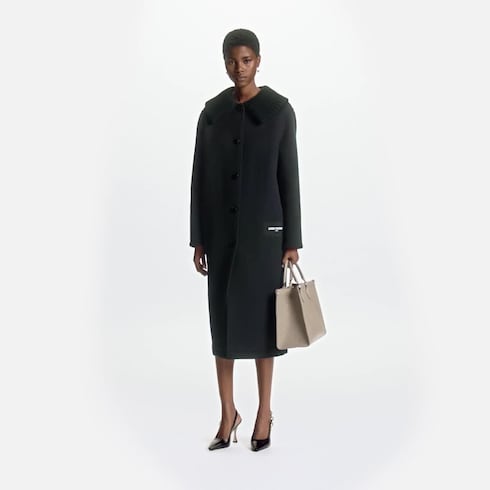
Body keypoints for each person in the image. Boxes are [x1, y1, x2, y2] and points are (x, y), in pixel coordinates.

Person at [189, 28, 303, 452]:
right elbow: (199, 178)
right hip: (220, 237)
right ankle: (227, 414)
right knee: (222, 328)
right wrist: (198, 239)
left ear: (258, 60)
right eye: (232, 61)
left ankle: (263, 412)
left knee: (263, 330)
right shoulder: (212, 113)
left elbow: (289, 177)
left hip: (264, 239)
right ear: (224, 63)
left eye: (246, 60)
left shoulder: (278, 112)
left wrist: (291, 240)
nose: (239, 68)